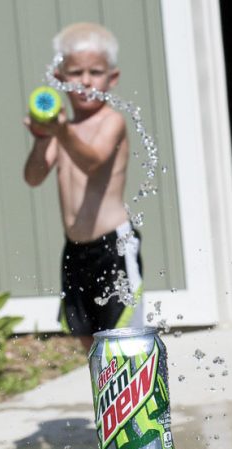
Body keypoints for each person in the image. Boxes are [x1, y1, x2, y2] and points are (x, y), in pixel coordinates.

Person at [23, 22, 143, 351]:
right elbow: (33, 177)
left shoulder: (111, 122)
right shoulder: (63, 128)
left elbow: (92, 161)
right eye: (76, 72)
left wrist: (59, 132)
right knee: (88, 341)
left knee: (123, 339)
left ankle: (134, 400)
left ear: (111, 79)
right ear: (60, 79)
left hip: (113, 248)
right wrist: (40, 139)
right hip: (75, 251)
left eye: (95, 72)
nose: (86, 80)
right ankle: (105, 403)